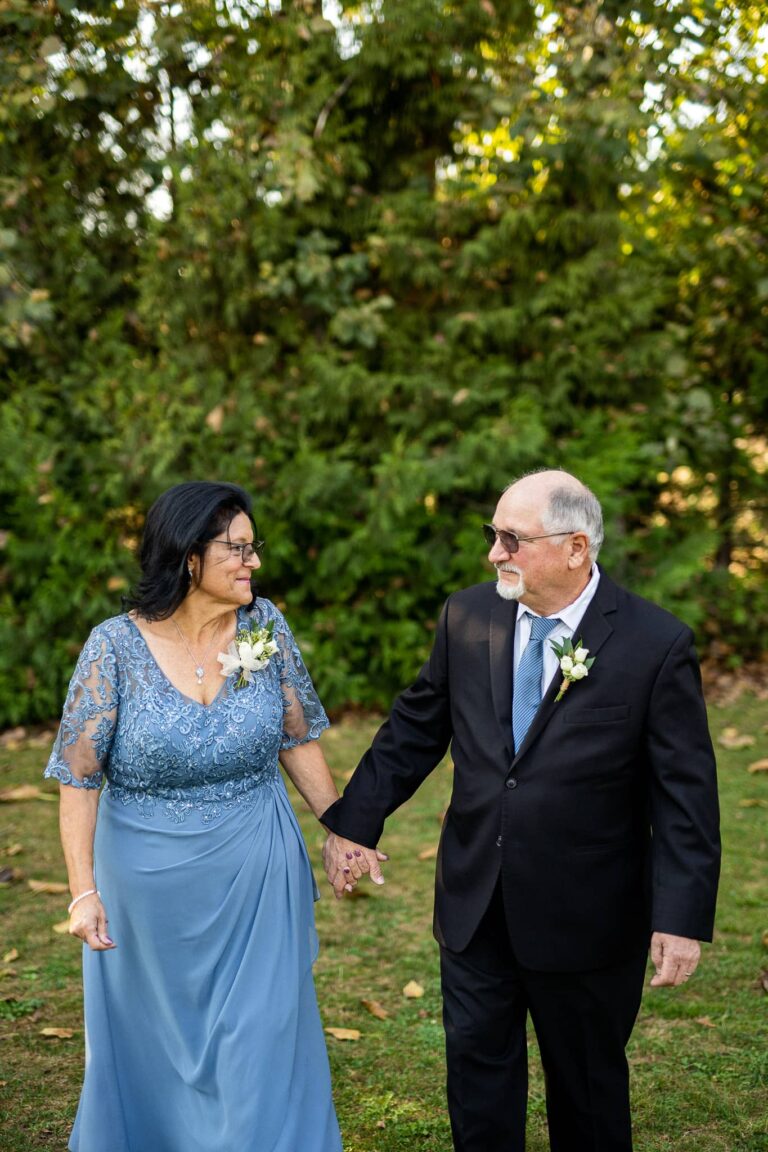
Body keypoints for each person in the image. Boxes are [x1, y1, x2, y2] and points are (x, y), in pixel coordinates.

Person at [321, 469, 720, 1152]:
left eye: (512, 539)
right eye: (493, 535)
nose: (494, 553)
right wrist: (353, 824)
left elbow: (686, 796)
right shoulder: (467, 616)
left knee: (588, 1091)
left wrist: (680, 919)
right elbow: (416, 728)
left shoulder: (656, 645)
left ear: (575, 547)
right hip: (475, 899)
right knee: (477, 1083)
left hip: (589, 914)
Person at [45, 481, 343, 1152]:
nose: (253, 562)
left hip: (256, 874)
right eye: (238, 549)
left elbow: (297, 738)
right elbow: (79, 777)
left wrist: (340, 829)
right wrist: (83, 892)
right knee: (151, 1048)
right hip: (146, 892)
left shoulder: (265, 627)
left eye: (254, 547)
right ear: (189, 557)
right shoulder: (113, 647)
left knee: (261, 1038)